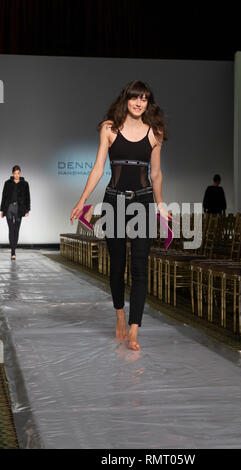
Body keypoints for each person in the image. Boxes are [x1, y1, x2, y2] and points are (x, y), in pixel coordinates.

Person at [70, 80, 170, 351]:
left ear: (149, 103)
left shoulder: (155, 133)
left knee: (139, 266)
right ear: (125, 99)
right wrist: (82, 202)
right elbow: (98, 168)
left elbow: (156, 174)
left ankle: (135, 330)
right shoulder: (109, 129)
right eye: (135, 98)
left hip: (144, 202)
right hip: (114, 201)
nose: (139, 103)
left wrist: (160, 204)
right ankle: (120, 314)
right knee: (117, 265)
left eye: (145, 99)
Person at [0, 165, 31, 259]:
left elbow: (27, 197)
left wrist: (27, 209)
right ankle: (13, 252)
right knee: (11, 229)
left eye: (18, 173)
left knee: (16, 230)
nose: (16, 175)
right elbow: (4, 196)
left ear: (20, 173)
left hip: (19, 208)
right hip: (9, 207)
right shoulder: (7, 183)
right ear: (12, 173)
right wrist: (1, 209)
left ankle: (13, 250)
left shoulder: (25, 184)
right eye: (15, 173)